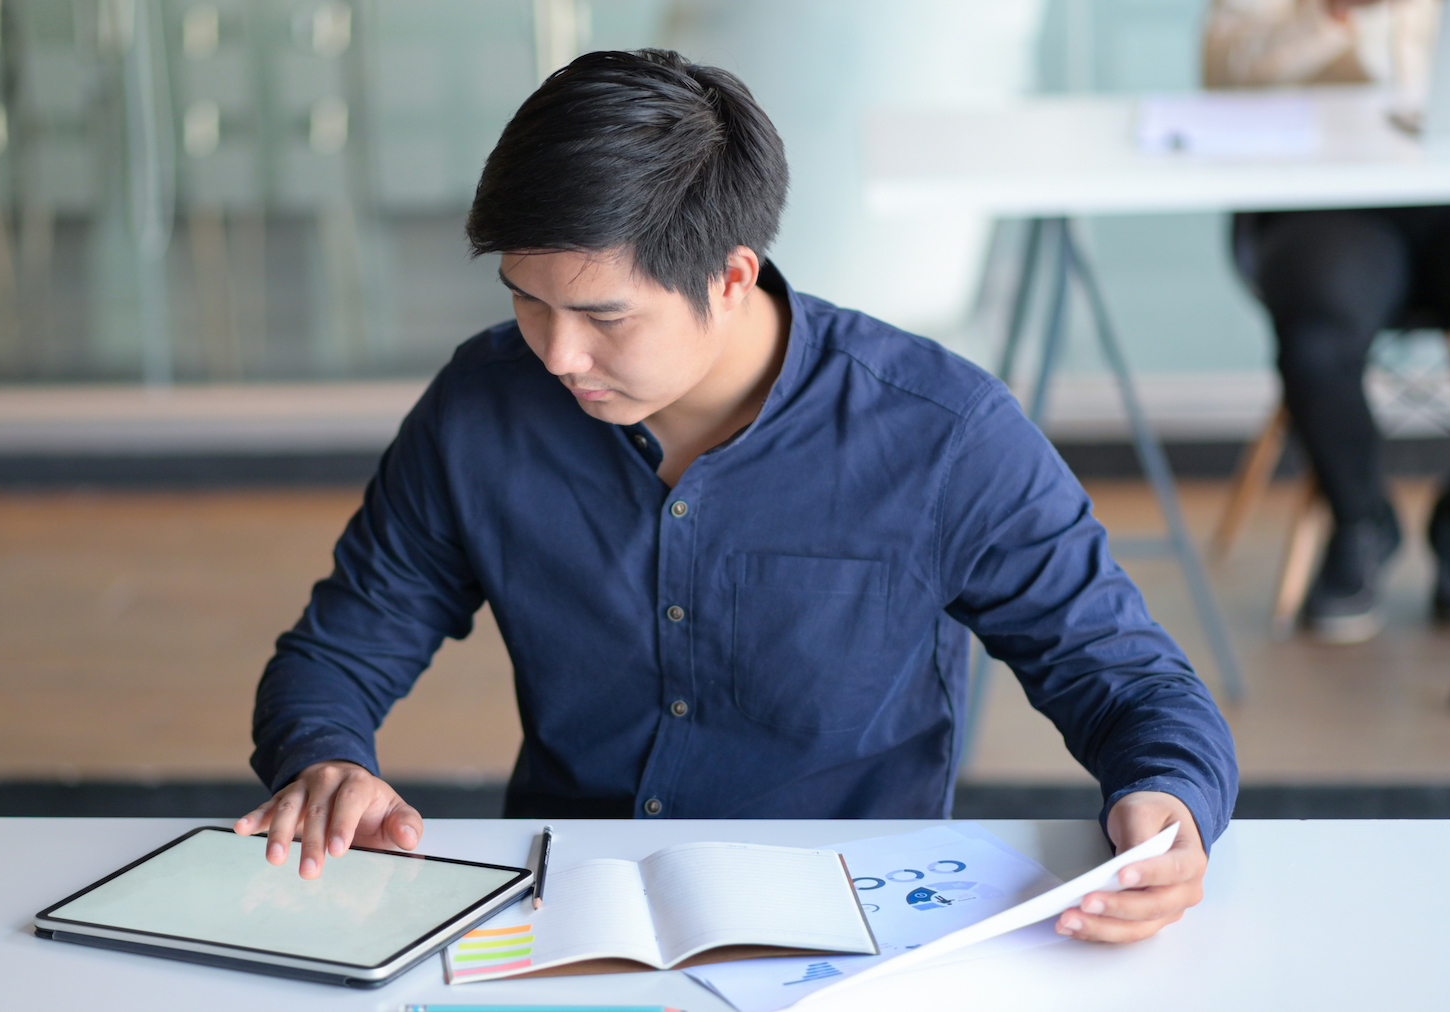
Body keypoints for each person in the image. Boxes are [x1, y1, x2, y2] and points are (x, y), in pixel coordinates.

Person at [236, 49, 1237, 945]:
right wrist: (326, 760)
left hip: (852, 922)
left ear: (730, 276)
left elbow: (1129, 680)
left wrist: (1170, 802)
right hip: (569, 911)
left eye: (602, 316)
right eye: (525, 299)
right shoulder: (482, 406)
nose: (556, 353)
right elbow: (338, 652)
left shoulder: (940, 432)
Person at [1207, 0, 1450, 641]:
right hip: (1327, 198)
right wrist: (1332, 14)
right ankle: (1362, 523)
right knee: (1316, 339)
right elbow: (1223, 73)